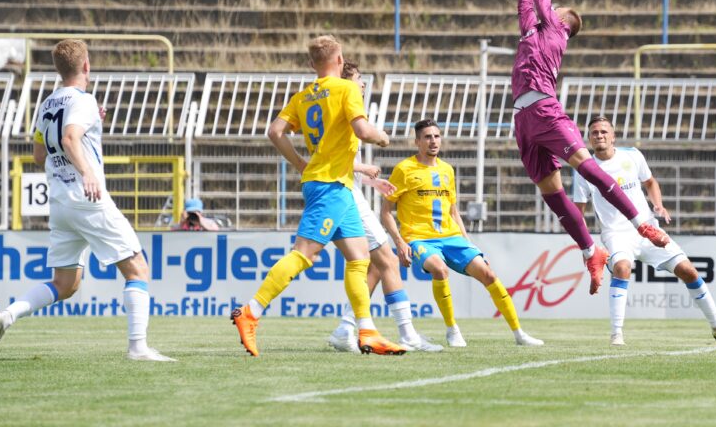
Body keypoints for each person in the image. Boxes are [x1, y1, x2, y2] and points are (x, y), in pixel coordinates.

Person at [0, 39, 173, 362]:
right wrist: (88, 172)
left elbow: (39, 155)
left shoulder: (48, 103)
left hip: (60, 202)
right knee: (137, 269)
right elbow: (69, 137)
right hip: (87, 198)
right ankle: (138, 348)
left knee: (65, 284)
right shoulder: (83, 100)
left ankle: (6, 316)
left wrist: (91, 123)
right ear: (86, 66)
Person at [513, 0, 670, 297]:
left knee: (589, 168)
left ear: (565, 22)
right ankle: (589, 251)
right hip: (523, 119)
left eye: (557, 10)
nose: (552, 9)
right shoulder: (534, 30)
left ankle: (640, 223)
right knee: (552, 195)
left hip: (545, 109)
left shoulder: (555, 31)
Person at [231, 35, 406, 356]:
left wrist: (299, 162)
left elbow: (274, 132)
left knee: (359, 258)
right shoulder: (347, 89)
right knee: (304, 255)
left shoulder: (303, 97)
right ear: (340, 61)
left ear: (313, 65)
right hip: (330, 186)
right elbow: (363, 130)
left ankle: (366, 332)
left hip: (333, 183)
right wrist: (382, 137)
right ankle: (250, 311)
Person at [572, 116, 716, 347]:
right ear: (589, 139)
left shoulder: (632, 155)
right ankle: (616, 334)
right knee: (622, 267)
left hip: (648, 228)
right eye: (594, 133)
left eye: (604, 132)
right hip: (616, 233)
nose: (599, 136)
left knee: (689, 271)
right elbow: (577, 213)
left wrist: (658, 204)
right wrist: (588, 249)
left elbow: (650, 182)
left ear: (613, 136)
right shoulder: (584, 170)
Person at [381, 118, 543, 348]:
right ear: (417, 142)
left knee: (489, 275)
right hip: (419, 238)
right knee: (439, 269)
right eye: (427, 137)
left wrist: (468, 242)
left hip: (451, 237)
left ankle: (519, 333)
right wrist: (399, 242)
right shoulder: (404, 169)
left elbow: (453, 210)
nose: (433, 141)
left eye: (436, 136)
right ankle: (452, 329)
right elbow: (385, 212)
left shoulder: (447, 170)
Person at [327, 61, 443, 353]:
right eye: (358, 79)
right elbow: (329, 158)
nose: (363, 85)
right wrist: (373, 150)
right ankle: (407, 335)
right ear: (345, 82)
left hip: (343, 189)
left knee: (378, 264)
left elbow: (333, 160)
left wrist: (369, 180)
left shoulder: (336, 109)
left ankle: (346, 327)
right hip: (343, 194)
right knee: (387, 261)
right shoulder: (346, 111)